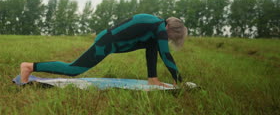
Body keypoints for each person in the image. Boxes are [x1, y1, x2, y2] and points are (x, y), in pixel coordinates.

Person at [20, 13, 188, 87]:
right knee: (74, 69)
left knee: (152, 45)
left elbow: (153, 51)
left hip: (108, 41)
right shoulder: (159, 28)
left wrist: (153, 78)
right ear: (171, 29)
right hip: (105, 43)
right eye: (172, 37)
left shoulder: (155, 27)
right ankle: (30, 66)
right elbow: (166, 56)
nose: (169, 40)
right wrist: (179, 81)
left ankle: (153, 78)